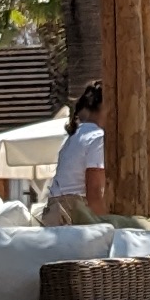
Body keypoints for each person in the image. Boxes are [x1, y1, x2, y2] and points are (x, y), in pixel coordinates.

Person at [51, 85, 108, 213]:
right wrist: (105, 220)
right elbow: (94, 191)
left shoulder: (74, 137)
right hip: (75, 210)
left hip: (55, 209)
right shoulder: (97, 137)